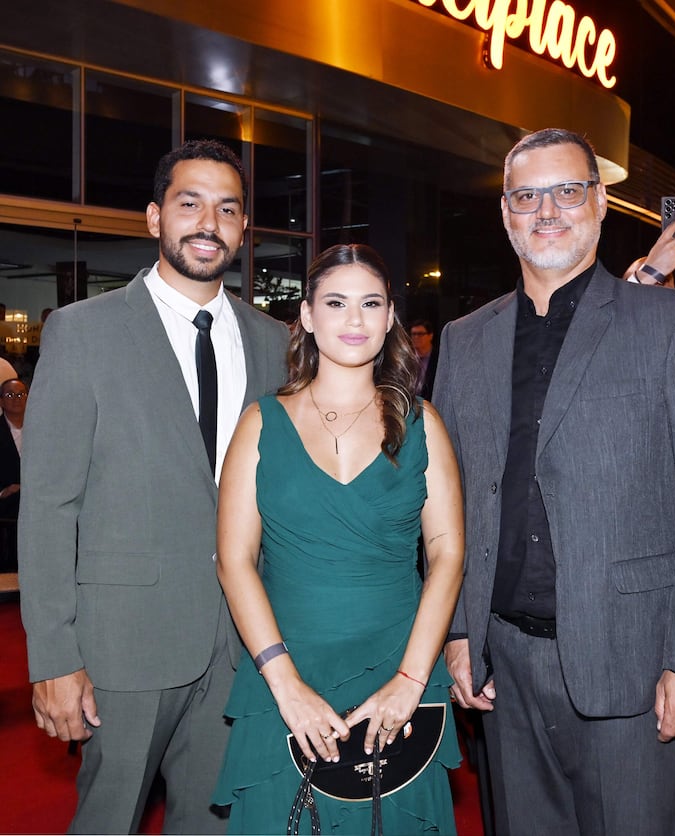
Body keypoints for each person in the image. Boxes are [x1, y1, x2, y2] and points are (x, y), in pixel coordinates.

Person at [432, 128, 675, 836]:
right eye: (526, 195)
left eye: (567, 191)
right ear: (506, 213)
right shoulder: (464, 338)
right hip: (502, 666)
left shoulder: (674, 324)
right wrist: (457, 631)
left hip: (636, 664)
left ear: (601, 203)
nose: (548, 211)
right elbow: (449, 500)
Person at [18, 139, 289, 834]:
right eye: (189, 202)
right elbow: (49, 505)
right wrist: (53, 655)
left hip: (243, 646)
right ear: (152, 217)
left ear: (243, 228)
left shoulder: (274, 342)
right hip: (123, 646)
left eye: (227, 208)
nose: (209, 221)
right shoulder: (82, 333)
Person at [212, 243, 464, 834]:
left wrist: (411, 681)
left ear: (389, 316)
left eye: (370, 303)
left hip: (401, 668)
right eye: (336, 302)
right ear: (306, 315)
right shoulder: (259, 422)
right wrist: (285, 684)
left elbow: (448, 553)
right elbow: (235, 560)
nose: (354, 320)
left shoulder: (423, 423)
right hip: (285, 671)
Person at [0, 377, 27, 571]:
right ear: (1, 401)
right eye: (10, 395)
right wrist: (3, 492)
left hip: (37, 505)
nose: (16, 399)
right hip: (6, 511)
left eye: (21, 394)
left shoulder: (41, 430)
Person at [410, 318, 438, 398]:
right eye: (413, 334)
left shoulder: (439, 358)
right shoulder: (407, 358)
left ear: (430, 336)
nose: (416, 337)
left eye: (420, 334)